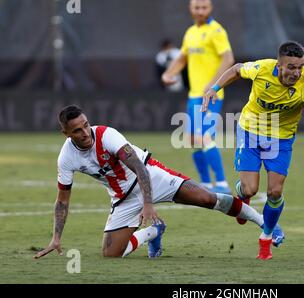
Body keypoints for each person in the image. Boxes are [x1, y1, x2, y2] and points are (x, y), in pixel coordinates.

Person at [33, 105, 284, 259]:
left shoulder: (106, 135)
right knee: (110, 254)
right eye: (77, 130)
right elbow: (62, 200)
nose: (85, 133)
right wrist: (56, 237)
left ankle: (264, 222)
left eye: (86, 125)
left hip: (152, 176)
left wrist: (149, 204)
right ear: (66, 133)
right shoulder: (66, 157)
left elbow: (139, 167)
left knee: (208, 199)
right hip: (122, 198)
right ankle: (154, 232)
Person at [202, 41, 304, 260]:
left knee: (274, 192)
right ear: (279, 65)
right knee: (250, 188)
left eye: (300, 66)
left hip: (281, 139)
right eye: (291, 67)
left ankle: (265, 239)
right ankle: (242, 194)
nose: (297, 72)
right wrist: (214, 89)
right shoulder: (262, 69)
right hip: (250, 131)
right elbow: (236, 69)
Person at [161, 0, 234, 194]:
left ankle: (221, 183)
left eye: (204, 7)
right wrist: (168, 73)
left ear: (210, 8)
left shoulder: (216, 31)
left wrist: (213, 85)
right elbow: (183, 58)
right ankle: (205, 184)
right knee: (192, 138)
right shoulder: (191, 32)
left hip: (211, 95)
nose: (200, 11)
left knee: (204, 137)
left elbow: (228, 59)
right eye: (197, 7)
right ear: (191, 9)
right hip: (194, 95)